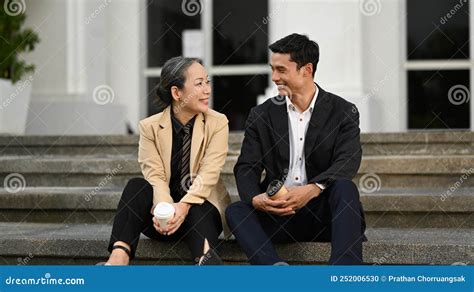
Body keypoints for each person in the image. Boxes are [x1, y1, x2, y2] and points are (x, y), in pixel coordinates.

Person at [225, 33, 366, 265]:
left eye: (281, 70)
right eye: (272, 69)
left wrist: (312, 189)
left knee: (344, 187)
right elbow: (246, 167)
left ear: (306, 69)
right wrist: (257, 199)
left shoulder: (343, 111)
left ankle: (344, 272)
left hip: (324, 215)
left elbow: (347, 160)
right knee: (237, 210)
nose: (274, 77)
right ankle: (274, 269)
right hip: (278, 214)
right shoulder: (261, 115)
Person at [102, 56, 231, 265]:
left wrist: (184, 207)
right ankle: (118, 258)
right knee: (136, 186)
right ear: (176, 92)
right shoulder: (149, 127)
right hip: (161, 217)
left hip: (201, 210)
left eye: (207, 82)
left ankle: (206, 261)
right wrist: (166, 208)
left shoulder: (218, 122)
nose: (207, 89)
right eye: (199, 84)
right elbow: (155, 175)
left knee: (197, 207)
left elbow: (209, 172)